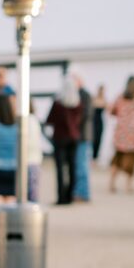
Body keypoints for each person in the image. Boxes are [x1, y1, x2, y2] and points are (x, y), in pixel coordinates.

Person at [47, 77, 82, 205]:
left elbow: (49, 119)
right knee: (73, 167)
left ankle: (61, 197)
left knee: (60, 168)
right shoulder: (78, 104)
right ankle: (70, 195)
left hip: (60, 138)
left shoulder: (58, 104)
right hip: (74, 137)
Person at [73, 80, 93, 203]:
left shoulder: (85, 95)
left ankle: (83, 193)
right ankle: (79, 192)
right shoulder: (81, 94)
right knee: (79, 165)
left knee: (82, 166)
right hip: (79, 136)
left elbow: (86, 114)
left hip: (83, 136)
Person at [27, 102, 43, 203]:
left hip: (29, 159)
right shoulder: (34, 120)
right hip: (34, 159)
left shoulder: (28, 120)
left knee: (31, 192)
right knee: (33, 191)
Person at [92, 85, 107, 160]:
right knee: (93, 139)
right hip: (93, 121)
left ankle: (95, 156)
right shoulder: (94, 99)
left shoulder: (104, 100)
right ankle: (92, 156)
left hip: (100, 122)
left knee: (98, 139)